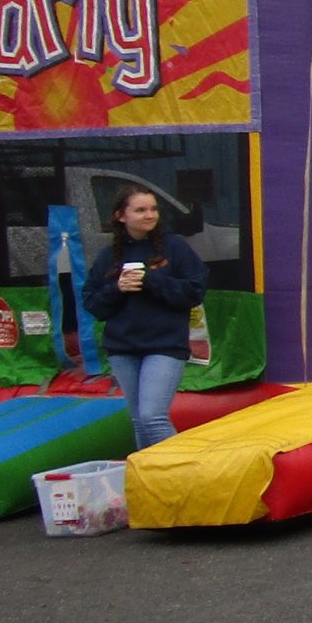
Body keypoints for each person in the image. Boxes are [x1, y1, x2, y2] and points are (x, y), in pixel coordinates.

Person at [80, 184, 207, 452]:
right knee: (139, 421)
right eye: (140, 210)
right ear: (120, 216)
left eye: (153, 209)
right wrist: (118, 288)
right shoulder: (108, 256)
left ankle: (183, 477)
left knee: (152, 416)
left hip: (164, 345)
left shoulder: (175, 247)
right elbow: (92, 303)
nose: (149, 215)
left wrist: (151, 280)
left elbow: (194, 291)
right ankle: (147, 485)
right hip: (122, 348)